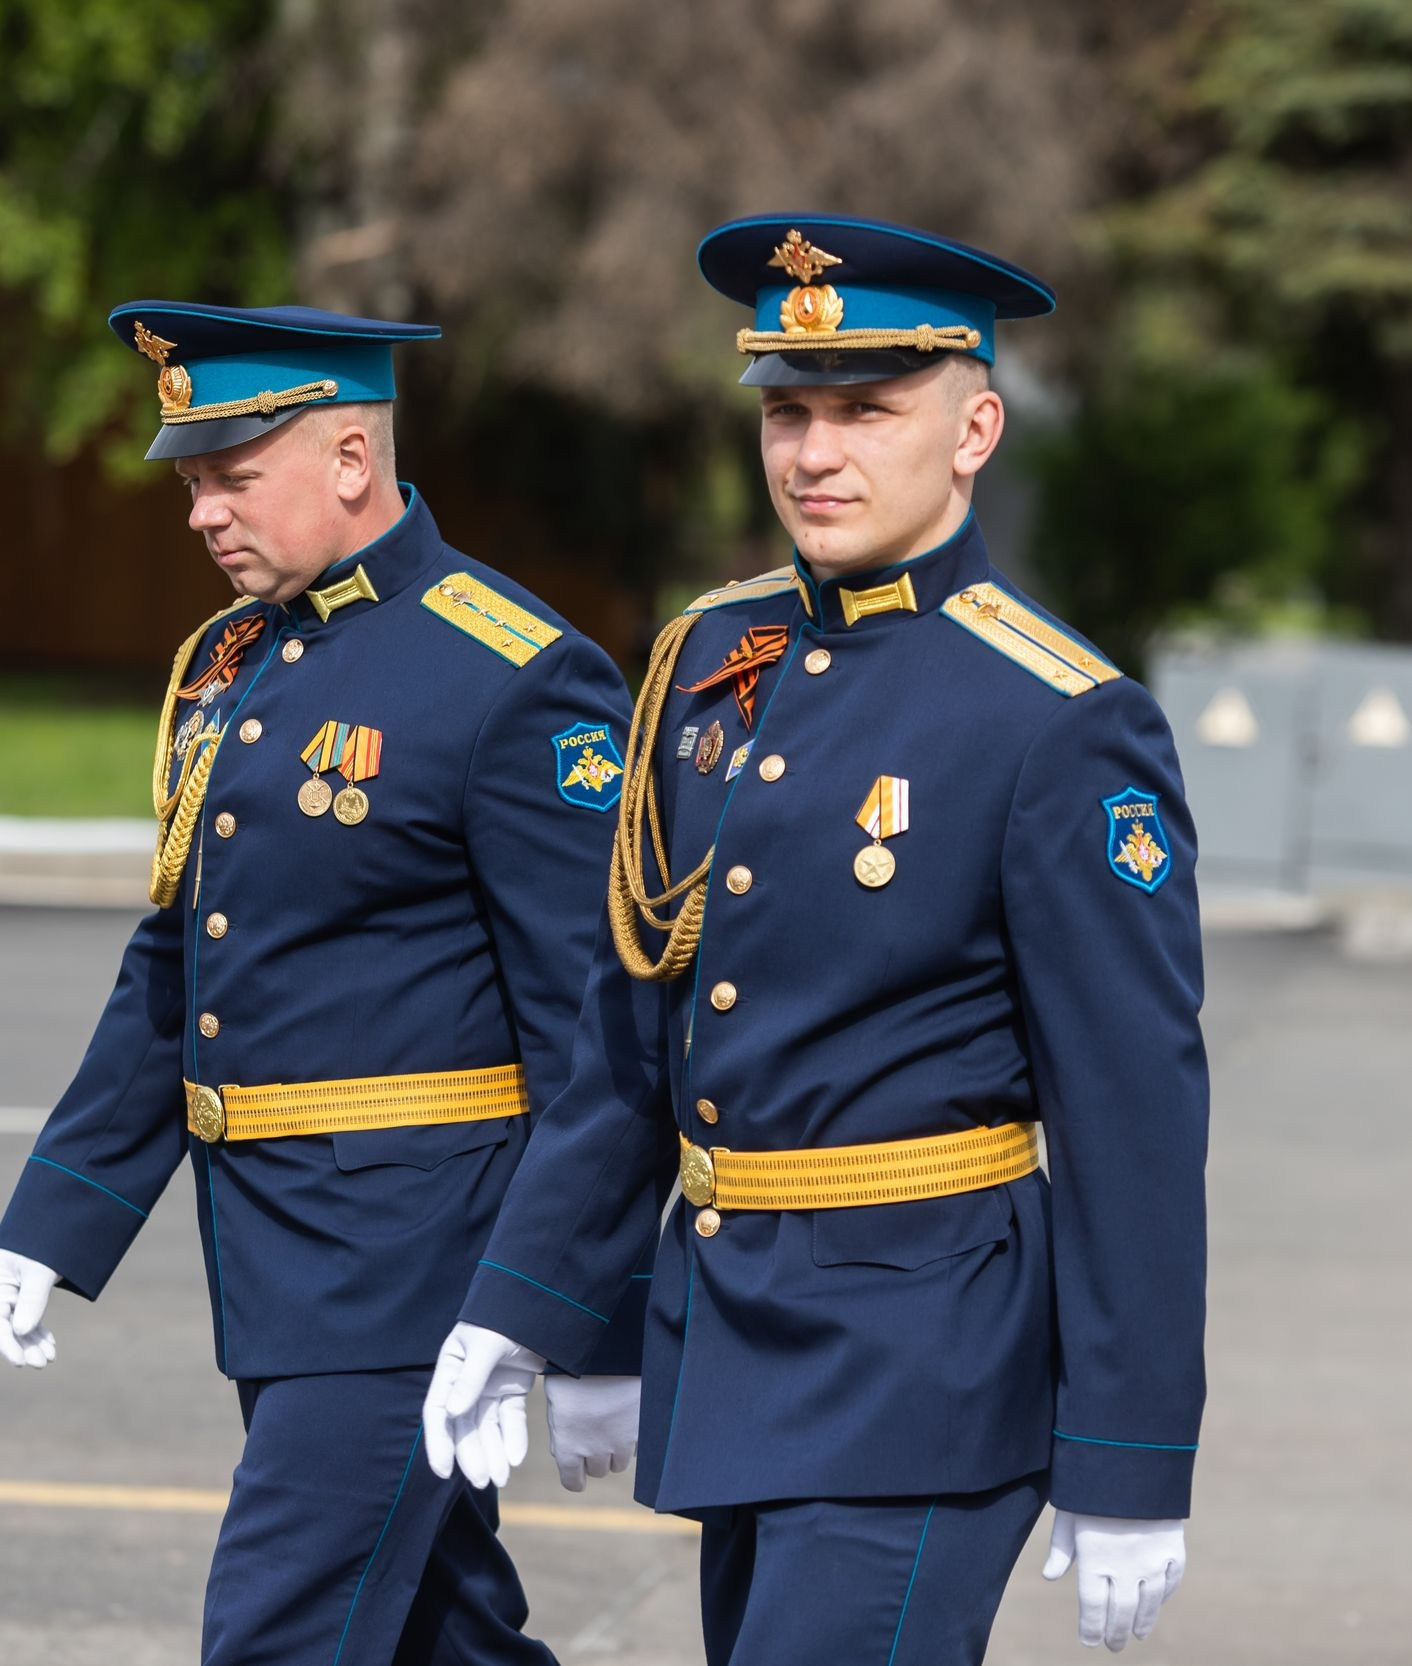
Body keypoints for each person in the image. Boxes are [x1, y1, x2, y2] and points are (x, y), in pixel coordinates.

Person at [422, 216, 1209, 1662]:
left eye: (866, 409)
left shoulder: (1057, 717)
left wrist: (1132, 1454)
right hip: (738, 1337)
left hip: (927, 1362)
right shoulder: (712, 674)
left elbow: (1135, 1117)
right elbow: (630, 1044)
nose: (814, 453)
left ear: (975, 428)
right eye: (789, 411)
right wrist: (531, 1303)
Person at [0, 300, 643, 1666]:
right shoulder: (240, 666)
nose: (199, 512)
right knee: (440, 1634)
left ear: (350, 458)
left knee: (277, 1634)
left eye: (232, 473)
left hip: (418, 1271)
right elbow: (180, 962)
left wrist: (584, 1312)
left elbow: (598, 1031)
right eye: (191, 479)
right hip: (280, 1259)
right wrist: (60, 1210)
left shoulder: (510, 673)